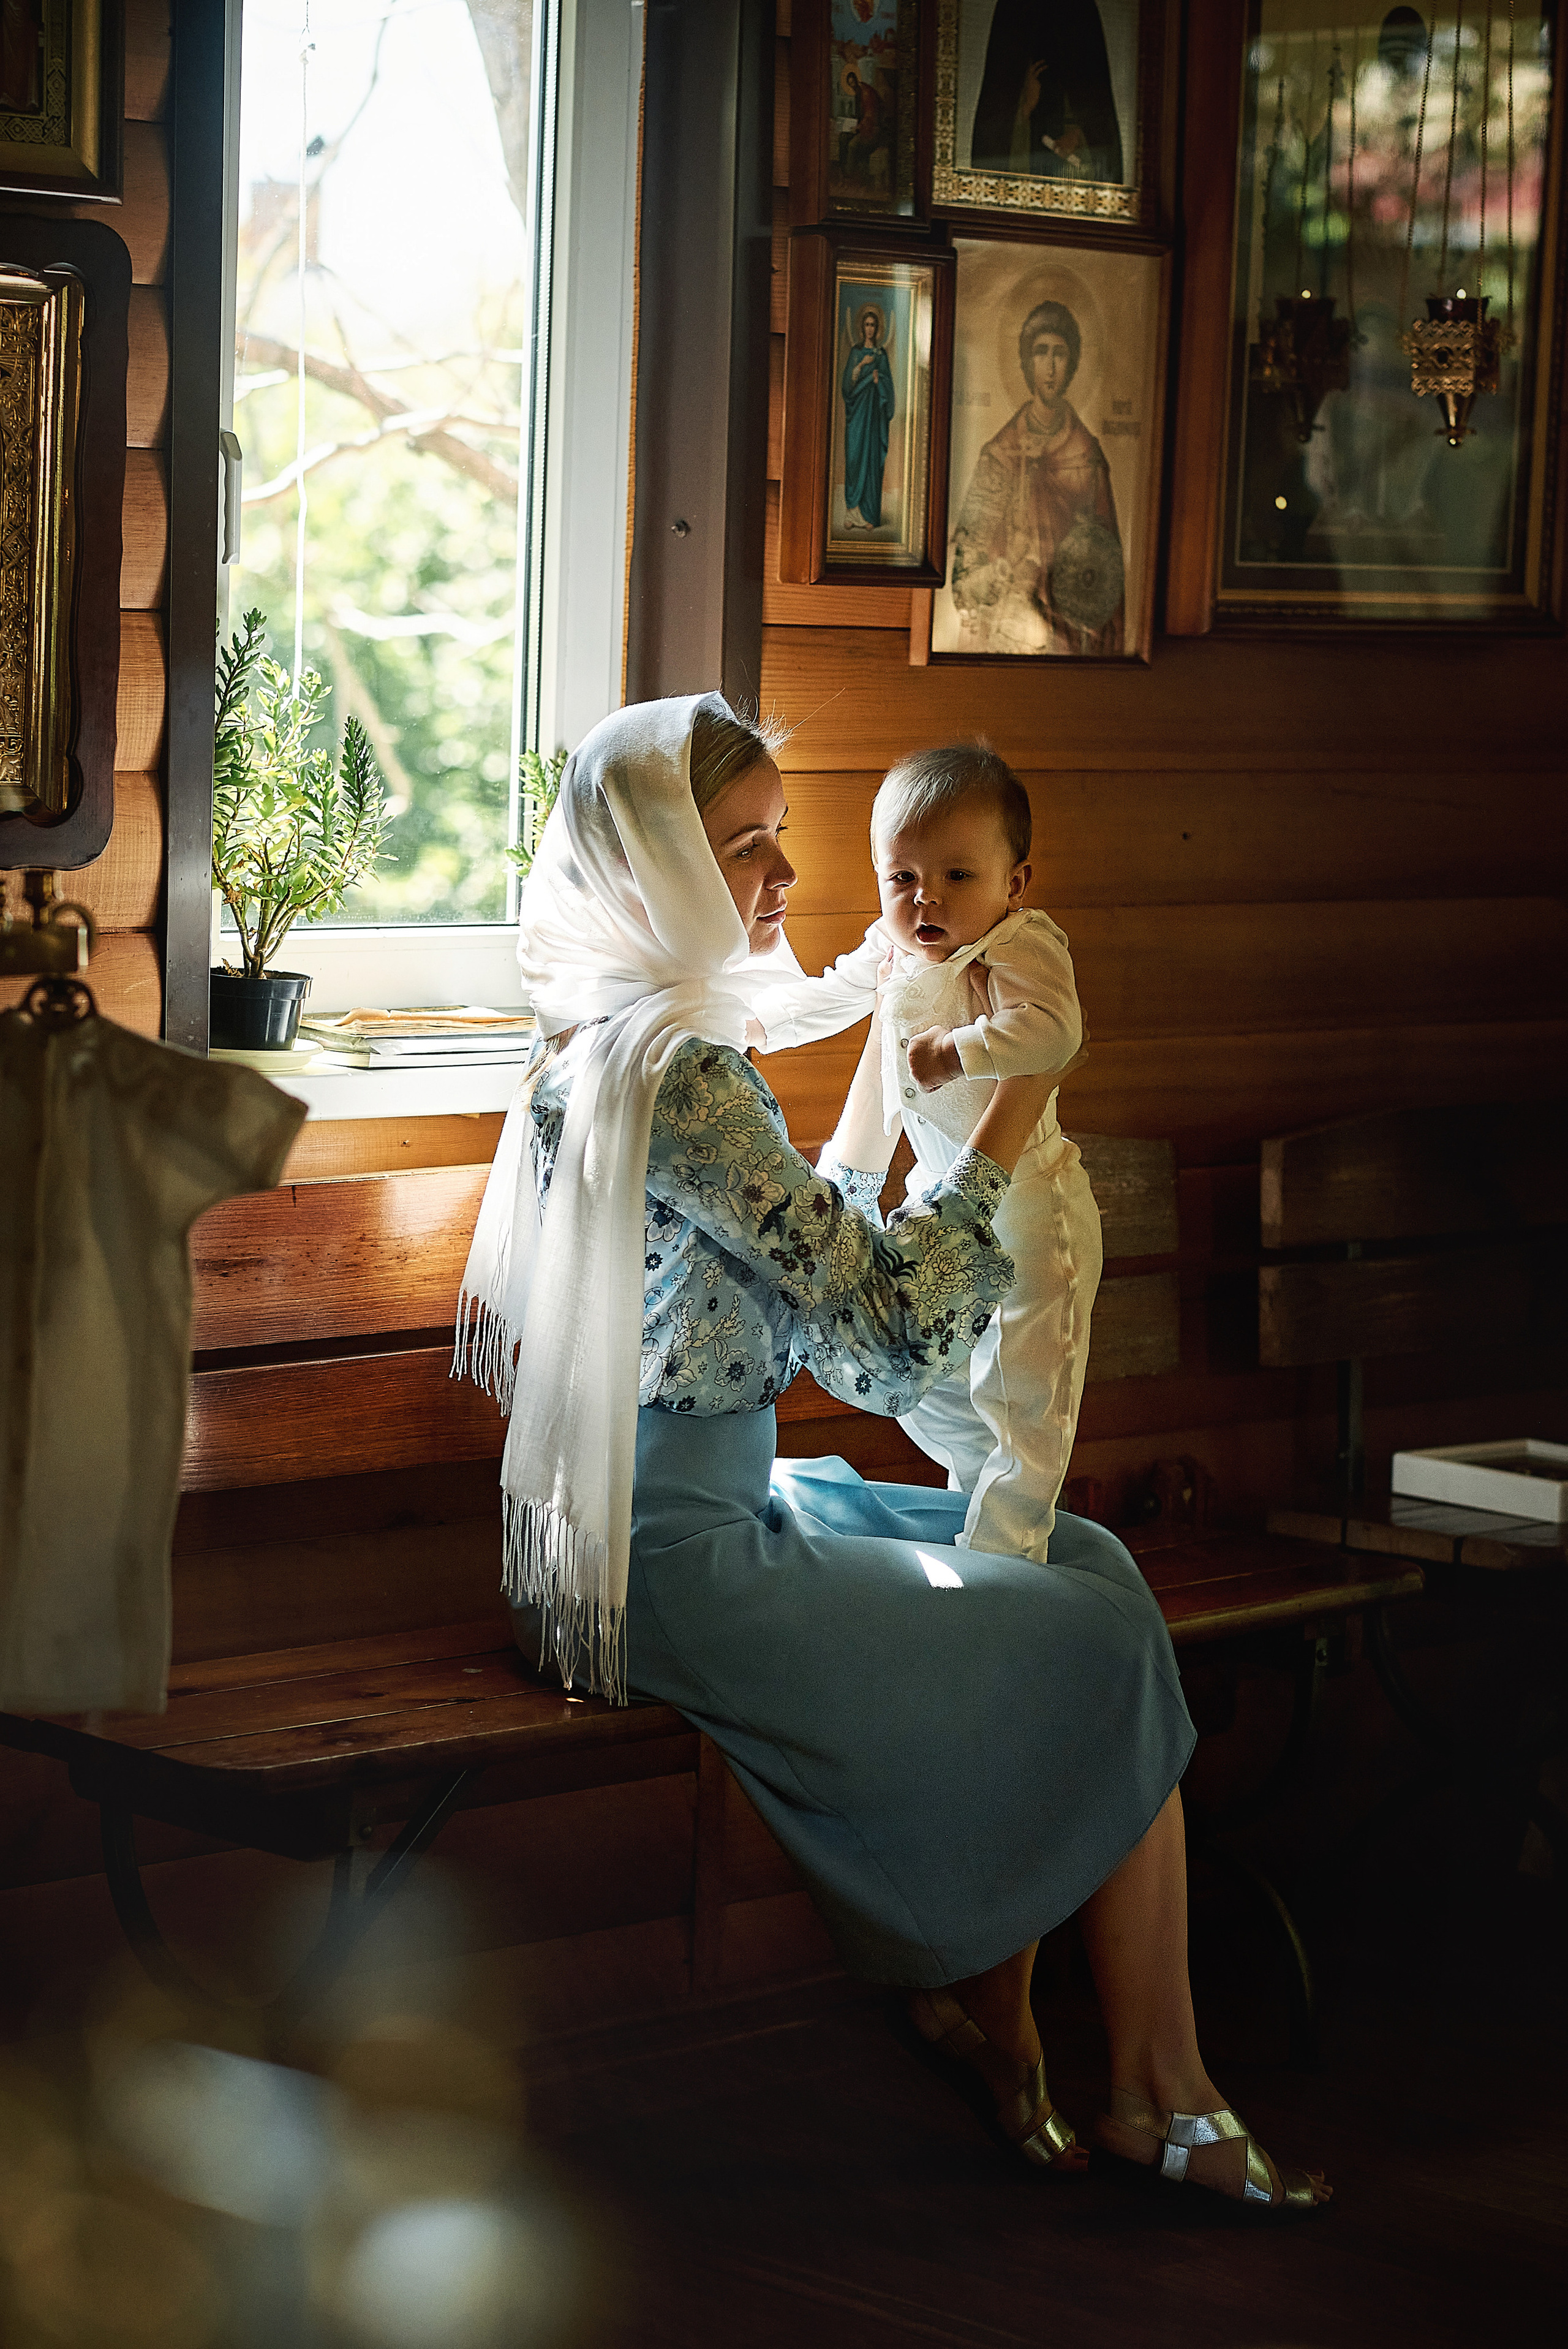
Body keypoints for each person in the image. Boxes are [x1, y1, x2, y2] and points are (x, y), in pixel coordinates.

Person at [456, 692, 1329, 2215]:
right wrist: (1005, 1128)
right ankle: (1142, 2077)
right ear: (654, 862)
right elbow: (876, 1346)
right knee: (1083, 1619)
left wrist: (876, 1193)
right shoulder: (687, 1075)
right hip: (670, 1566)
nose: (786, 878)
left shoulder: (605, 1029)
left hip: (637, 1522)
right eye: (745, 846)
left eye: (782, 839)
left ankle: (1057, 2021)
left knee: (1093, 1562)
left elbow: (783, 1310)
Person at [748, 744, 1097, 1562]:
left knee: (1025, 1395)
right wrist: (758, 1026)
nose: (925, 898)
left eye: (957, 877)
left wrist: (961, 1048)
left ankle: (1008, 1553)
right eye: (901, 877)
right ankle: (977, 1509)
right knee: (931, 1378)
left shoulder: (1019, 945)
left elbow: (1058, 1033)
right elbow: (837, 993)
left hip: (1036, 1213)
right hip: (941, 1196)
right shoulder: (896, 949)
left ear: (1014, 883)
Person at [949, 298, 1125, 656]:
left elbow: (1109, 575)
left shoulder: (1087, 457)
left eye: (1059, 353)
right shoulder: (1000, 456)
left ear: (1072, 363)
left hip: (1072, 638)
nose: (1050, 365)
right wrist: (1004, 569)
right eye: (1040, 352)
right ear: (1027, 364)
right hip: (1005, 638)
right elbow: (963, 582)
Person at [969, 1, 1123, 184]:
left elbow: (1097, 118)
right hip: (1024, 167)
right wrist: (1025, 107)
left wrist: (1077, 137)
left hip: (1071, 174)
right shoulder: (1013, 10)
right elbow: (995, 133)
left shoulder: (1080, 11)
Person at [842, 305, 895, 529]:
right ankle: (853, 515)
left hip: (873, 418)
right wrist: (862, 366)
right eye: (867, 325)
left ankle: (869, 516)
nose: (870, 329)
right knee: (854, 459)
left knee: (871, 461)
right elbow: (847, 386)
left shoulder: (881, 355)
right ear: (861, 328)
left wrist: (878, 381)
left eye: (873, 325)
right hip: (857, 415)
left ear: (878, 328)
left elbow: (889, 388)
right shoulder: (856, 353)